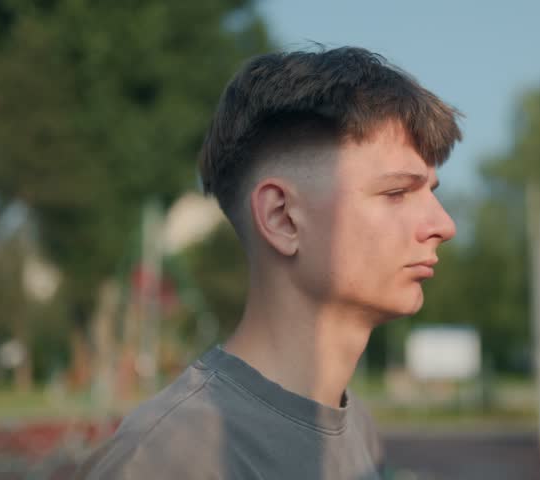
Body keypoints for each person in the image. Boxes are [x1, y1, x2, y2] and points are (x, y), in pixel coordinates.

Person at [77, 46, 460, 479]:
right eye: (396, 193)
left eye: (432, 191)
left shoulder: (357, 430)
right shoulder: (167, 461)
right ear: (282, 218)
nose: (443, 225)